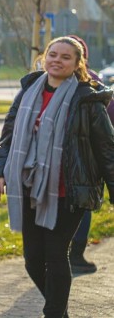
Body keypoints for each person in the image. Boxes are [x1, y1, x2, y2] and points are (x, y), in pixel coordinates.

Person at [0, 36, 114, 318]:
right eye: (53, 54)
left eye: (65, 57)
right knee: (33, 260)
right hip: (29, 188)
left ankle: (54, 313)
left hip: (69, 191)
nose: (57, 60)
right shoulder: (28, 90)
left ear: (77, 63)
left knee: (57, 254)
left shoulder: (87, 99)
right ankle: (59, 308)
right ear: (44, 57)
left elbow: (107, 148)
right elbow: (8, 135)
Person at [66, 35, 114, 274]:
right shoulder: (93, 80)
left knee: (78, 207)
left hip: (81, 160)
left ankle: (69, 256)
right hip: (84, 162)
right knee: (81, 207)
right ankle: (74, 255)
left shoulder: (90, 84)